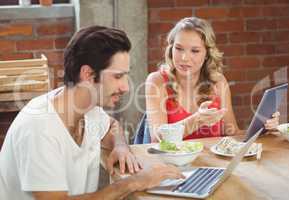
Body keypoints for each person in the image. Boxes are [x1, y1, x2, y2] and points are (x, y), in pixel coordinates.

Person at [0, 26, 184, 200]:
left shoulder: (89, 110)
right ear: (88, 75)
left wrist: (120, 145)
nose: (126, 87)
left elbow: (111, 125)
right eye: (118, 76)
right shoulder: (39, 128)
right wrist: (134, 182)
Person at [145, 17, 279, 142]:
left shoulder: (218, 82)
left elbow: (232, 133)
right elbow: (157, 139)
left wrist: (263, 129)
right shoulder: (156, 81)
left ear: (207, 54)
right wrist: (197, 120)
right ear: (171, 49)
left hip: (212, 165)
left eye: (195, 51)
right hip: (171, 165)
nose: (184, 58)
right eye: (179, 48)